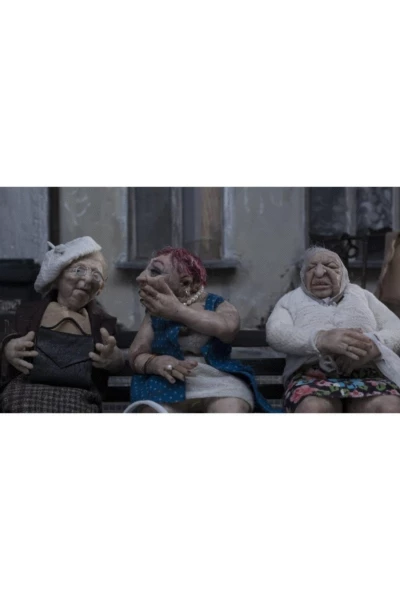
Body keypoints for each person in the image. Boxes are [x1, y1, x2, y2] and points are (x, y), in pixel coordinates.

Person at [127, 246, 279, 413]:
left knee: (230, 407)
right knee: (154, 412)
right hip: (167, 382)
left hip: (217, 380)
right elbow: (137, 354)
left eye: (155, 271)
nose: (141, 277)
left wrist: (178, 311)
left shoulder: (215, 304)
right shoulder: (154, 313)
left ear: (186, 282)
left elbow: (228, 328)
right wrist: (154, 363)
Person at [266, 246, 400, 413]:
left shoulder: (362, 295)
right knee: (314, 408)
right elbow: (275, 332)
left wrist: (374, 345)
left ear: (343, 273)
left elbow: (396, 327)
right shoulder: (291, 300)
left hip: (368, 374)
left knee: (389, 406)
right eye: (311, 268)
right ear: (302, 274)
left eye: (330, 266)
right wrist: (320, 339)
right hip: (312, 377)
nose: (320, 273)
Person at [0, 237, 124, 412]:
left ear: (100, 288)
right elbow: (8, 336)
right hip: (27, 386)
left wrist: (113, 358)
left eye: (96, 274)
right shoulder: (29, 312)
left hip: (79, 392)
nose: (88, 279)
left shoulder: (102, 322)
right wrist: (8, 349)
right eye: (79, 270)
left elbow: (117, 362)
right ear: (57, 278)